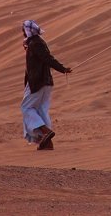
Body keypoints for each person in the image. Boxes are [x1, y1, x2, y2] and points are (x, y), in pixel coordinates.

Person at [20, 19, 72, 150]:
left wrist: (62, 69)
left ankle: (45, 132)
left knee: (26, 108)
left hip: (38, 82)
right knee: (41, 110)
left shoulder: (35, 44)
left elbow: (47, 58)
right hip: (45, 81)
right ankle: (47, 143)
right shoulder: (35, 42)